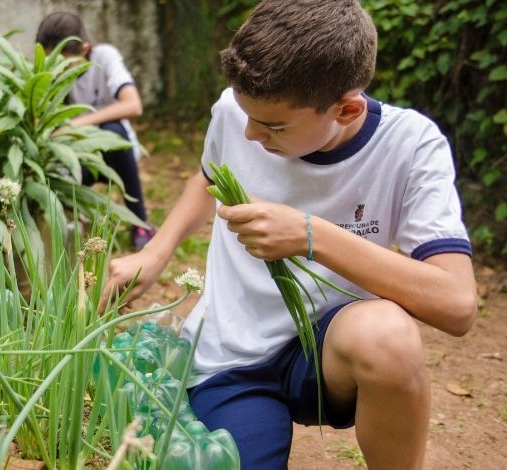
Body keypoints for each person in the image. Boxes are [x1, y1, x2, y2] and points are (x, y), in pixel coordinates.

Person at [101, 0, 478, 468]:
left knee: (389, 336)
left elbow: (457, 304)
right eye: (247, 117)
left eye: (274, 126)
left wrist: (311, 235)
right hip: (231, 353)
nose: (253, 135)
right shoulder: (233, 114)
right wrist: (155, 253)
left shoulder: (411, 145)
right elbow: (207, 178)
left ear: (346, 109)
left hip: (329, 350)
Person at [36, 11, 156, 250]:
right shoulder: (49, 76)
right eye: (51, 61)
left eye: (62, 61)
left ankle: (140, 221)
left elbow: (133, 105)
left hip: (115, 155)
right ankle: (79, 226)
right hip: (78, 157)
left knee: (114, 130)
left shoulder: (105, 57)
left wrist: (77, 124)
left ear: (84, 49)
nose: (56, 69)